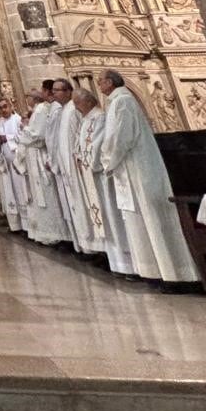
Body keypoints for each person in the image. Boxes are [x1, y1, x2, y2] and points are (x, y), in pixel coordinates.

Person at [98, 70, 197, 284]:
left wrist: (106, 161)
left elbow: (120, 138)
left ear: (110, 82)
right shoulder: (118, 102)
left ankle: (172, 273)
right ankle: (152, 270)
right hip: (130, 167)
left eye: (100, 81)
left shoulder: (122, 102)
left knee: (152, 219)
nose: (98, 86)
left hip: (137, 168)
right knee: (140, 221)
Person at [73, 89, 133, 276]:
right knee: (102, 215)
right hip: (90, 172)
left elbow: (100, 143)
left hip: (99, 173)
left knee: (110, 214)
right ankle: (113, 260)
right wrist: (79, 155)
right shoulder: (85, 120)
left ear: (89, 102)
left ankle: (125, 262)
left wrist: (90, 161)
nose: (75, 106)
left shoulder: (100, 117)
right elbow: (80, 143)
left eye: (78, 102)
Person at [49, 78, 103, 255]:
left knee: (86, 205)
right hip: (70, 166)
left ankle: (95, 247)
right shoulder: (64, 110)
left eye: (56, 90)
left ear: (67, 91)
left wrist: (80, 157)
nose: (53, 93)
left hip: (80, 166)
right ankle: (85, 246)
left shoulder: (74, 110)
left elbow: (84, 134)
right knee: (76, 206)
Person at [13, 88, 71, 247]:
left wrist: (24, 127)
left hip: (40, 158)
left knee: (47, 195)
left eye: (28, 97)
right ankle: (46, 234)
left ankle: (55, 235)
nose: (27, 100)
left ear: (34, 98)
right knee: (41, 197)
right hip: (34, 158)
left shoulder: (40, 111)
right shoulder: (40, 110)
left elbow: (37, 135)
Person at [0, 97, 26, 232]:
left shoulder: (18, 120)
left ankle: (27, 226)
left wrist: (7, 138)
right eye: (0, 108)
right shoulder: (0, 122)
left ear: (11, 106)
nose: (3, 110)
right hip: (6, 165)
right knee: (10, 194)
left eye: (5, 107)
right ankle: (15, 225)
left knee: (22, 193)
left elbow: (24, 137)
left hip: (18, 164)